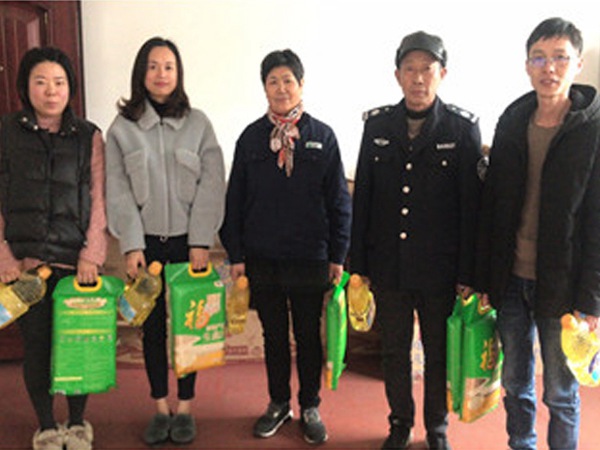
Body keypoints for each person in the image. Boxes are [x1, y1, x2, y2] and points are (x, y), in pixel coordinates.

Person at [350, 31, 483, 450]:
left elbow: (471, 209)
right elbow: (363, 199)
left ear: (443, 74)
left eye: (427, 69)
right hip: (388, 265)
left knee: (438, 352)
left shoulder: (462, 129)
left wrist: (468, 273)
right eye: (410, 69)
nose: (419, 78)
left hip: (440, 269)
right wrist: (358, 267)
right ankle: (400, 424)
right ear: (398, 75)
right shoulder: (377, 126)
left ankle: (437, 428)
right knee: (393, 352)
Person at [475, 17, 600, 450]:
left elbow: (598, 222)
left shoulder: (592, 130)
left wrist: (591, 300)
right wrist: (485, 278)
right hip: (510, 279)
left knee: (561, 393)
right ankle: (521, 444)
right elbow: (492, 208)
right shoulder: (512, 122)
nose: (549, 68)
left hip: (562, 287)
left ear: (577, 64)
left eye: (560, 58)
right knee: (515, 382)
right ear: (527, 65)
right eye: (539, 58)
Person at [219, 49, 351, 445]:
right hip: (262, 257)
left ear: (301, 84)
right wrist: (236, 255)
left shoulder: (322, 137)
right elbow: (235, 200)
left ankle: (310, 405)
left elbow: (339, 202)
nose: (281, 89)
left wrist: (338, 255)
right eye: (273, 81)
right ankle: (278, 402)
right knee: (274, 336)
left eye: (288, 81)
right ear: (264, 88)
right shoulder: (251, 138)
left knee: (308, 335)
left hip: (310, 257)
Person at [105, 37, 225, 447]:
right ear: (141, 73)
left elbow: (212, 185)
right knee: (151, 329)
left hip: (188, 246)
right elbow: (117, 190)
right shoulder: (121, 130)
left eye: (169, 66)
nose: (161, 74)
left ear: (179, 73)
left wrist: (201, 240)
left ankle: (185, 407)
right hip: (145, 247)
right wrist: (131, 244)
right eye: (153, 66)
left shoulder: (199, 124)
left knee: (190, 327)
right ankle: (160, 407)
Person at [0, 47, 108, 450]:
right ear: (25, 87)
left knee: (79, 343)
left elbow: (99, 199)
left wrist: (92, 254)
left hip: (75, 262)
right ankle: (46, 426)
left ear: (70, 87)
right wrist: (4, 257)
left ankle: (77, 423)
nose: (50, 91)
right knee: (38, 348)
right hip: (25, 264)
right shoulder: (6, 132)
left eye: (59, 82)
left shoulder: (88, 136)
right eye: (41, 82)